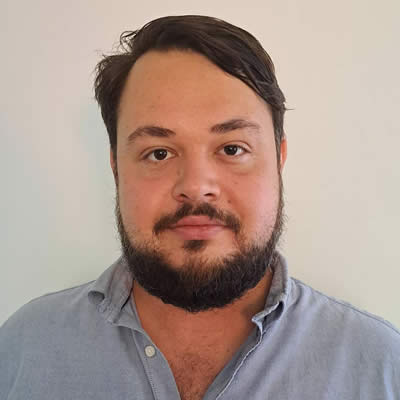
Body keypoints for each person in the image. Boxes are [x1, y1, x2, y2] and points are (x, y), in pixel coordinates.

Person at [0, 15, 399, 400]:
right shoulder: (22, 351)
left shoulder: (381, 369)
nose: (195, 187)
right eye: (158, 153)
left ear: (279, 160)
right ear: (116, 167)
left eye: (232, 149)